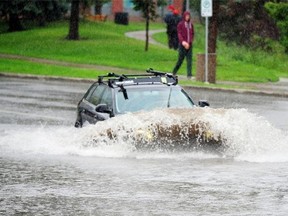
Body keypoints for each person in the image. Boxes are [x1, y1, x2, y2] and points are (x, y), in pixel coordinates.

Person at [172, 11, 194, 79]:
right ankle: (174, 72)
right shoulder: (180, 24)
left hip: (189, 45)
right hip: (182, 45)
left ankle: (189, 75)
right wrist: (183, 42)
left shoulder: (191, 25)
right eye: (186, 16)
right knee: (180, 60)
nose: (187, 17)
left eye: (188, 16)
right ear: (184, 16)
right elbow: (179, 34)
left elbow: (192, 34)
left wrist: (190, 42)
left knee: (189, 60)